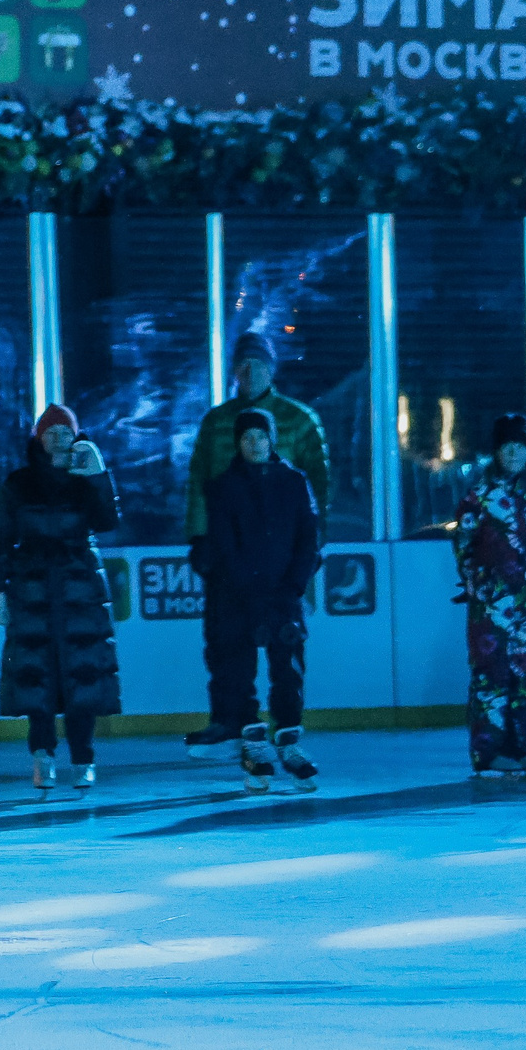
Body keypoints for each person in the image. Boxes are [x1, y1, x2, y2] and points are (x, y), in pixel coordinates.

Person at [182, 330, 331, 754]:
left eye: (259, 366)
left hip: (282, 559)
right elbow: (198, 482)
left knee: (285, 645)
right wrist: (199, 539)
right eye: (243, 367)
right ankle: (230, 720)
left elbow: (318, 489)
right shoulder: (216, 421)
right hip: (226, 556)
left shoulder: (299, 419)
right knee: (226, 644)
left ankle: (286, 724)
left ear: (272, 369)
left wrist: (314, 549)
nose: (250, 374)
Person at [0, 404, 121, 794]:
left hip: (79, 590)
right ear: (39, 439)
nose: (59, 440)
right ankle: (42, 756)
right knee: (36, 679)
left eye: (66, 433)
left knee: (83, 678)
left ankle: (83, 758)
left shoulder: (85, 480)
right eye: (51, 433)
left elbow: (108, 521)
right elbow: (0, 541)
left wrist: (98, 476)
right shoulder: (19, 483)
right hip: (32, 589)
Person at [203, 408, 323, 792]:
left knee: (288, 669)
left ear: (272, 440)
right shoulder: (223, 486)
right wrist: (246, 588)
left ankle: (288, 741)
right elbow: (225, 544)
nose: (254, 444)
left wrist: (294, 585)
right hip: (239, 598)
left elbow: (308, 538)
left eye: (261, 436)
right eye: (247, 438)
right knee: (239, 671)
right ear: (239, 443)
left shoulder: (294, 482)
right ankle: (253, 747)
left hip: (285, 595)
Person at [453, 413, 526, 776]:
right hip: (491, 604)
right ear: (496, 451)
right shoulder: (479, 496)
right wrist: (477, 582)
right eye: (507, 446)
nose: (513, 452)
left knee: (523, 674)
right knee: (491, 675)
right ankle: (488, 751)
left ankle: (518, 742)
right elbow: (463, 543)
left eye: (520, 446)